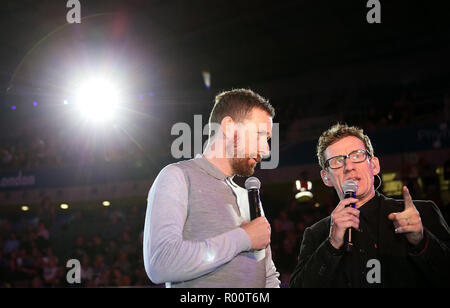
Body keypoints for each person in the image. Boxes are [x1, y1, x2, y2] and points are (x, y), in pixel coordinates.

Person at [143, 89, 280, 288]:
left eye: (267, 139)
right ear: (229, 127)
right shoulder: (177, 176)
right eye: (259, 134)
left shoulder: (249, 196)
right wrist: (243, 238)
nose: (266, 150)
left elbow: (268, 276)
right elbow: (160, 263)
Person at [290, 123, 450, 287]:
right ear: (326, 177)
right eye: (337, 161)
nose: (349, 167)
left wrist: (421, 241)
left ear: (374, 165)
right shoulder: (316, 234)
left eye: (357, 155)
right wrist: (332, 245)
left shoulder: (420, 213)